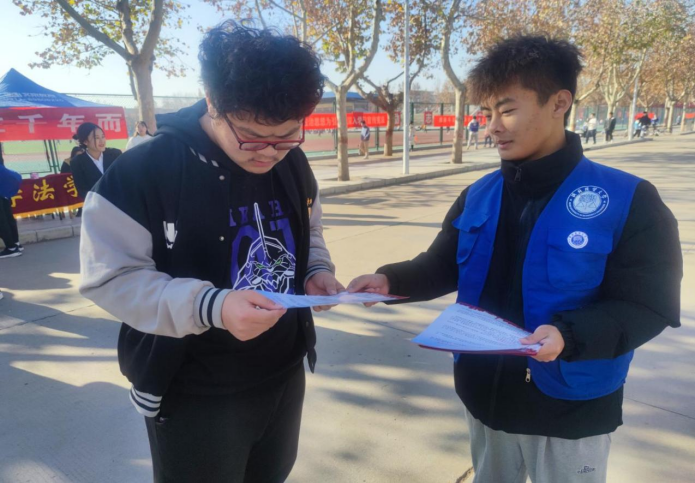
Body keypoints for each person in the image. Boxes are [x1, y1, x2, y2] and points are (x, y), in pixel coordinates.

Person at [347, 35, 682, 483]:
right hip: (485, 396)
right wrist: (390, 281)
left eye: (506, 110)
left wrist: (568, 336)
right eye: (486, 113)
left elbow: (649, 305)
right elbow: (442, 264)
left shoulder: (628, 199)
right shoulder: (478, 193)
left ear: (559, 103)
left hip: (571, 407)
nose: (492, 127)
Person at [79, 21, 342, 483]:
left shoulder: (293, 161)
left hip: (284, 371)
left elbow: (310, 227)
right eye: (252, 137)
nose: (270, 154)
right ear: (212, 102)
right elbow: (110, 277)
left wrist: (314, 270)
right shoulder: (145, 170)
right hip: (194, 390)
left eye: (287, 136)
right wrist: (212, 306)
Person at [70, 123, 122, 198]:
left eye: (103, 136)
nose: (102, 141)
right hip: (95, 202)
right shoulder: (77, 162)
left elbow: (123, 179)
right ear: (85, 141)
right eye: (97, 138)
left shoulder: (115, 154)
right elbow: (83, 191)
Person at [0, 143, 23, 259]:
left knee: (2, 219)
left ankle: (11, 247)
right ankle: (15, 242)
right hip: (3, 185)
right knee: (7, 216)